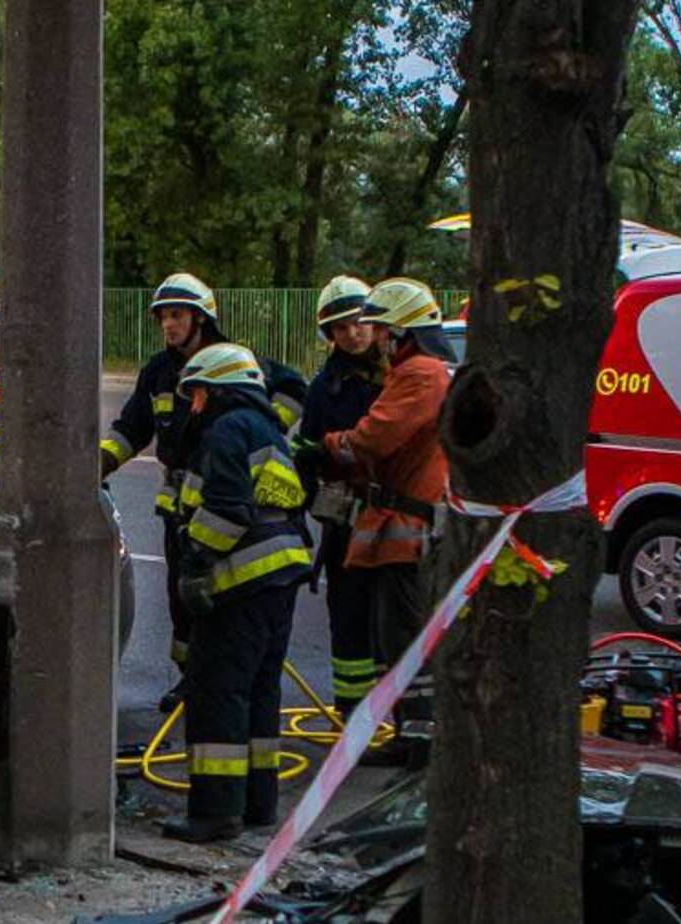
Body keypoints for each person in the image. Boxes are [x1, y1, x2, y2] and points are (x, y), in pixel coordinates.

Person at [160, 343, 312, 843]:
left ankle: (215, 812)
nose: (194, 406)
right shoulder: (266, 428)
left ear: (220, 391)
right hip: (281, 577)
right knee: (260, 691)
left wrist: (196, 565)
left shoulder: (226, 430)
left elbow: (226, 510)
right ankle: (257, 804)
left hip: (243, 581)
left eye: (198, 394)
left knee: (217, 693)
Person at [317, 278, 451, 732]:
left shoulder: (419, 374)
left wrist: (331, 445)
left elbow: (375, 437)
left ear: (399, 330)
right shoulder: (411, 370)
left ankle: (419, 738)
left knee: (404, 639)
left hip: (406, 528)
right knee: (390, 638)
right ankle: (409, 731)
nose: (368, 335)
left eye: (376, 327)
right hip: (393, 525)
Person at [100, 273, 229, 711]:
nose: (169, 326)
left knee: (219, 594)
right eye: (163, 319)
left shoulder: (228, 363)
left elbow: (284, 397)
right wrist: (99, 463)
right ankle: (192, 683)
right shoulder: (158, 371)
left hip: (222, 504)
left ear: (201, 318)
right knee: (181, 597)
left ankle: (219, 682)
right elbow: (133, 427)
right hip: (179, 510)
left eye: (177, 316)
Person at [298, 275, 385, 720]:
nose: (353, 333)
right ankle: (354, 715)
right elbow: (307, 455)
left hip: (395, 520)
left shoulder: (399, 375)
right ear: (330, 335)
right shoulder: (323, 389)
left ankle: (405, 718)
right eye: (342, 327)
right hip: (346, 522)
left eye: (360, 322)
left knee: (392, 618)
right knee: (348, 616)